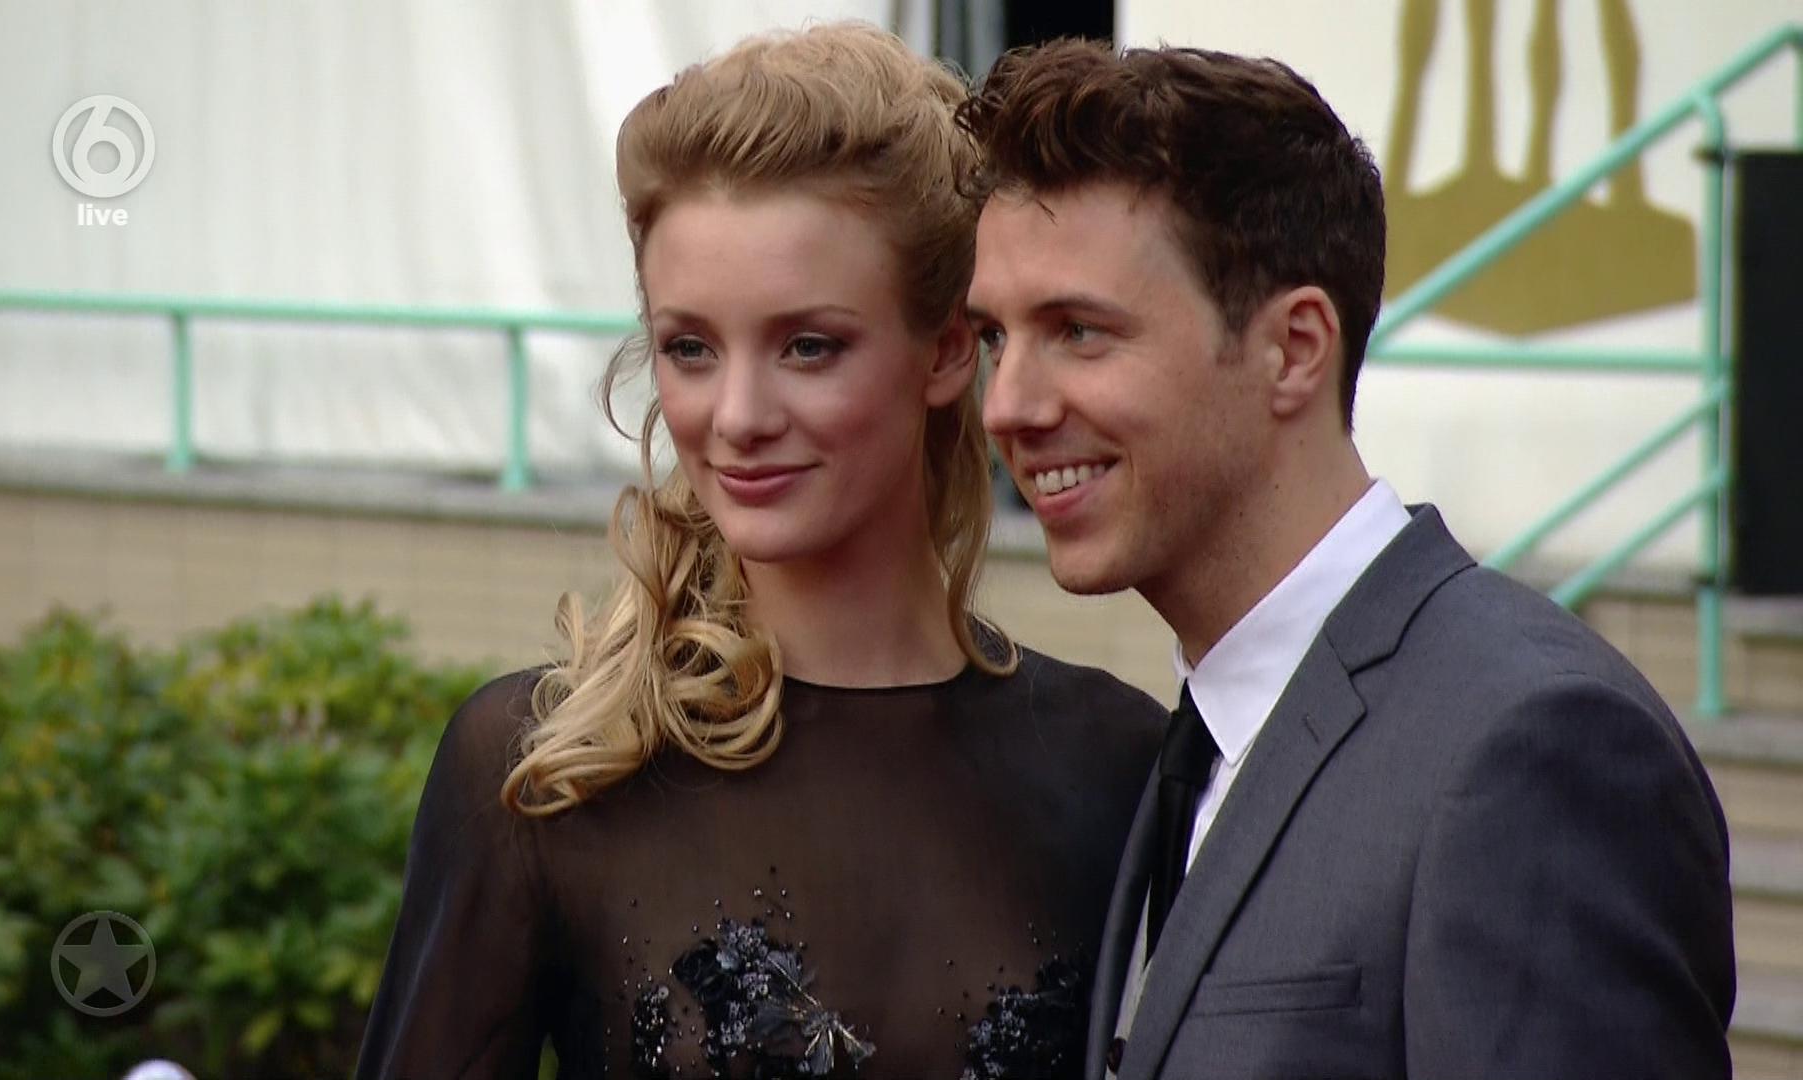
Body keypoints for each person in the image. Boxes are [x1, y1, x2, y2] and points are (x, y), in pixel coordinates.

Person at [356, 23, 1165, 1080]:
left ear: (946, 351)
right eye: (690, 348)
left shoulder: (1118, 764)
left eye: (808, 346)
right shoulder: (543, 771)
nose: (737, 417)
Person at [957, 40, 1735, 1080]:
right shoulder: (1194, 740)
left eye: (1079, 332)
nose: (1008, 406)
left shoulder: (1533, 748)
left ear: (1294, 348)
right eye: (995, 339)